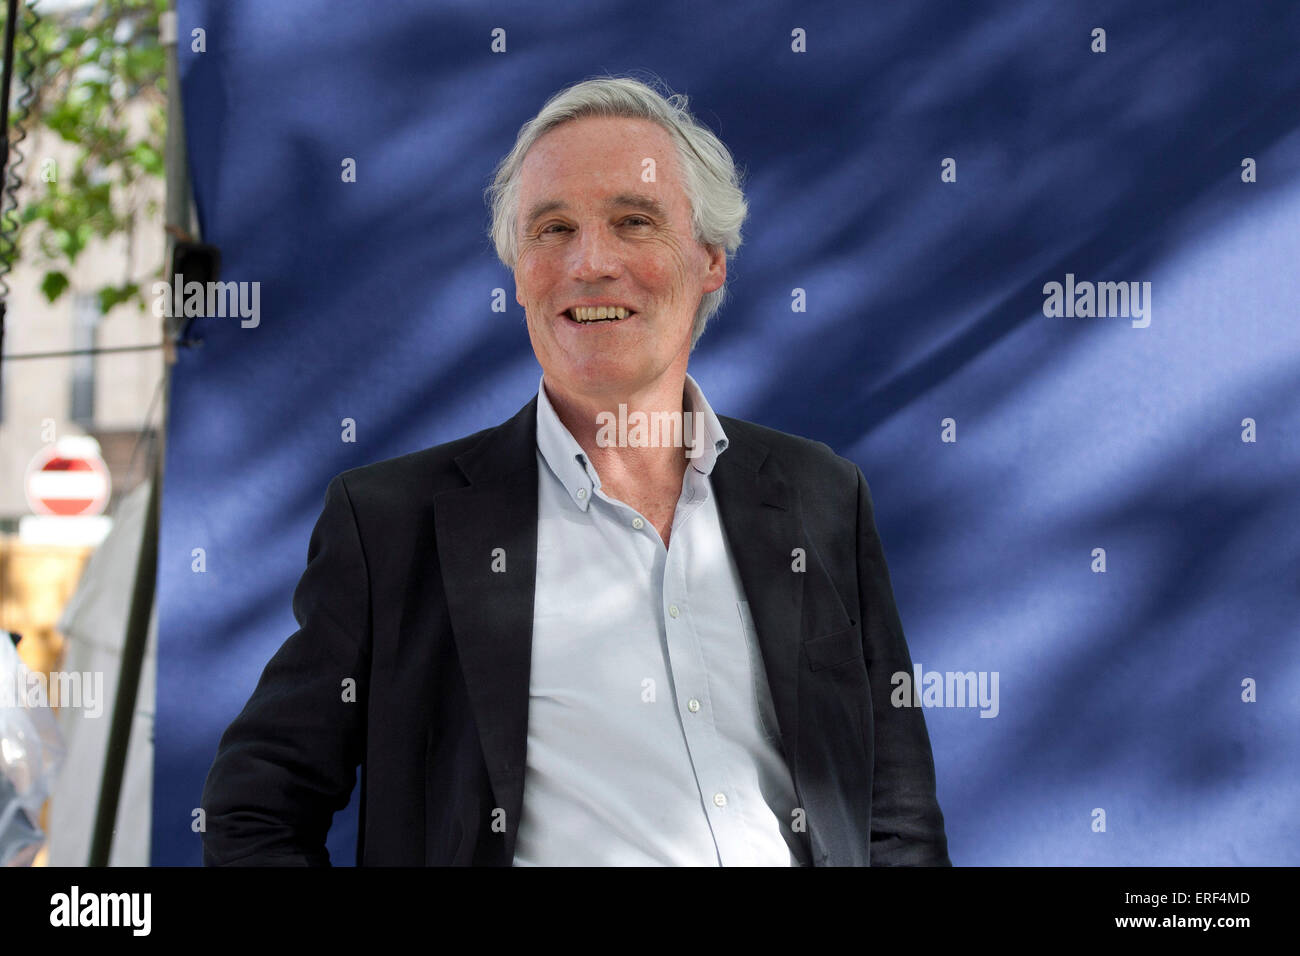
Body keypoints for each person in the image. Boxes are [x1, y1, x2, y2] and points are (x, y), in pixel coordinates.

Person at [200, 74, 950, 866]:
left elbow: (896, 820)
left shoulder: (821, 497)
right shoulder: (391, 528)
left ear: (709, 262)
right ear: (519, 273)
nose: (590, 263)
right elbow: (255, 813)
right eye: (552, 230)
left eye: (634, 221)